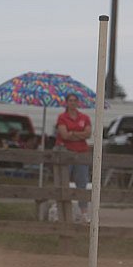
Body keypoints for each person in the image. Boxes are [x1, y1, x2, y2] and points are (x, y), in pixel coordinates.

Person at [54, 93, 92, 223]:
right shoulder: (62, 117)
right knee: (62, 181)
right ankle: (60, 211)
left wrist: (73, 133)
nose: (73, 103)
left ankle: (84, 213)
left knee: (82, 182)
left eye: (75, 100)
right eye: (70, 100)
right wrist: (78, 134)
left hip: (81, 153)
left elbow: (88, 133)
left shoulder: (84, 117)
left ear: (78, 102)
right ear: (66, 102)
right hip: (66, 153)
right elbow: (64, 135)